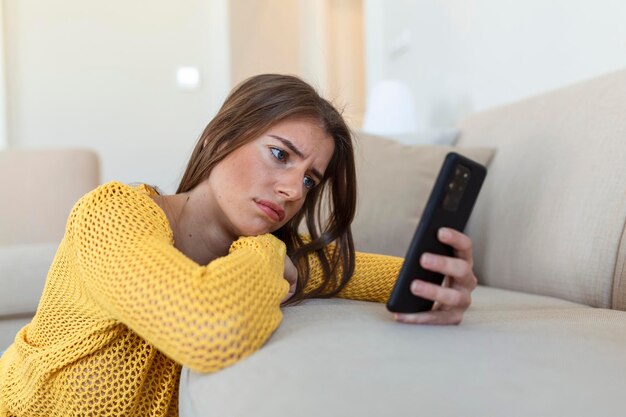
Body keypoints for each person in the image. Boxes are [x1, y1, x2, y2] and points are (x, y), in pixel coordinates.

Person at [0, 74, 477, 416]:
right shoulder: (112, 213)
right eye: (279, 154)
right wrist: (268, 251)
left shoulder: (267, 252)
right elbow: (210, 329)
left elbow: (394, 274)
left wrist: (452, 279)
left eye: (310, 179)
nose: (293, 190)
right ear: (218, 137)